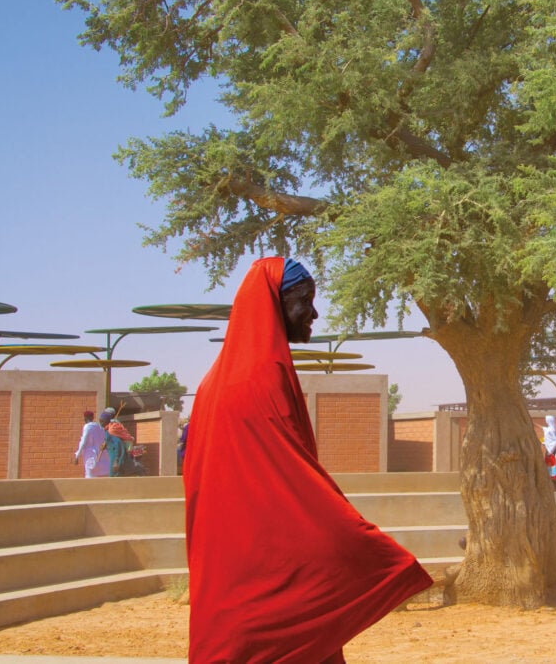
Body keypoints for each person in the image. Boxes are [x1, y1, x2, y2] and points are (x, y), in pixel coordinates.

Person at [184, 257, 431, 662]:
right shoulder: (261, 377)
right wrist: (365, 548)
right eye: (305, 301)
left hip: (232, 571)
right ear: (274, 305)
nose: (313, 313)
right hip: (263, 578)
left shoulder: (217, 381)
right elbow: (293, 480)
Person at [74, 410, 110, 478]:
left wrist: (77, 456)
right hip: (102, 458)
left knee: (89, 479)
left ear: (85, 418)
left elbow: (83, 442)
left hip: (91, 457)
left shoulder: (87, 427)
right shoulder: (100, 428)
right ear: (93, 417)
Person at [99, 410, 125, 477]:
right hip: (112, 457)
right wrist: (104, 446)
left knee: (113, 477)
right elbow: (110, 443)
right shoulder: (107, 430)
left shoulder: (111, 431)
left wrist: (116, 461)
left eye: (102, 421)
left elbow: (118, 445)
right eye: (100, 421)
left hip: (115, 458)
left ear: (107, 421)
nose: (100, 423)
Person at [542, 414, 556, 488]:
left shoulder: (551, 430)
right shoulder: (549, 429)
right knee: (549, 464)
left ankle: (554, 481)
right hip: (548, 449)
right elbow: (543, 428)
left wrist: (550, 449)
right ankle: (553, 480)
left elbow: (554, 440)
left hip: (551, 450)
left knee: (551, 464)